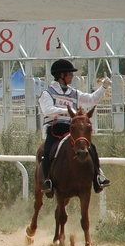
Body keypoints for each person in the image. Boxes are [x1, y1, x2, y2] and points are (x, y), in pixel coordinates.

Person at [39, 59, 111, 194]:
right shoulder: (47, 93)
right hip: (55, 129)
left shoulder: (74, 93)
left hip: (72, 129)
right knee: (47, 151)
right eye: (69, 74)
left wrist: (103, 87)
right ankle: (47, 181)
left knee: (92, 148)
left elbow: (92, 99)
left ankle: (98, 177)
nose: (72, 76)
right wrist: (67, 111)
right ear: (61, 75)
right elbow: (47, 110)